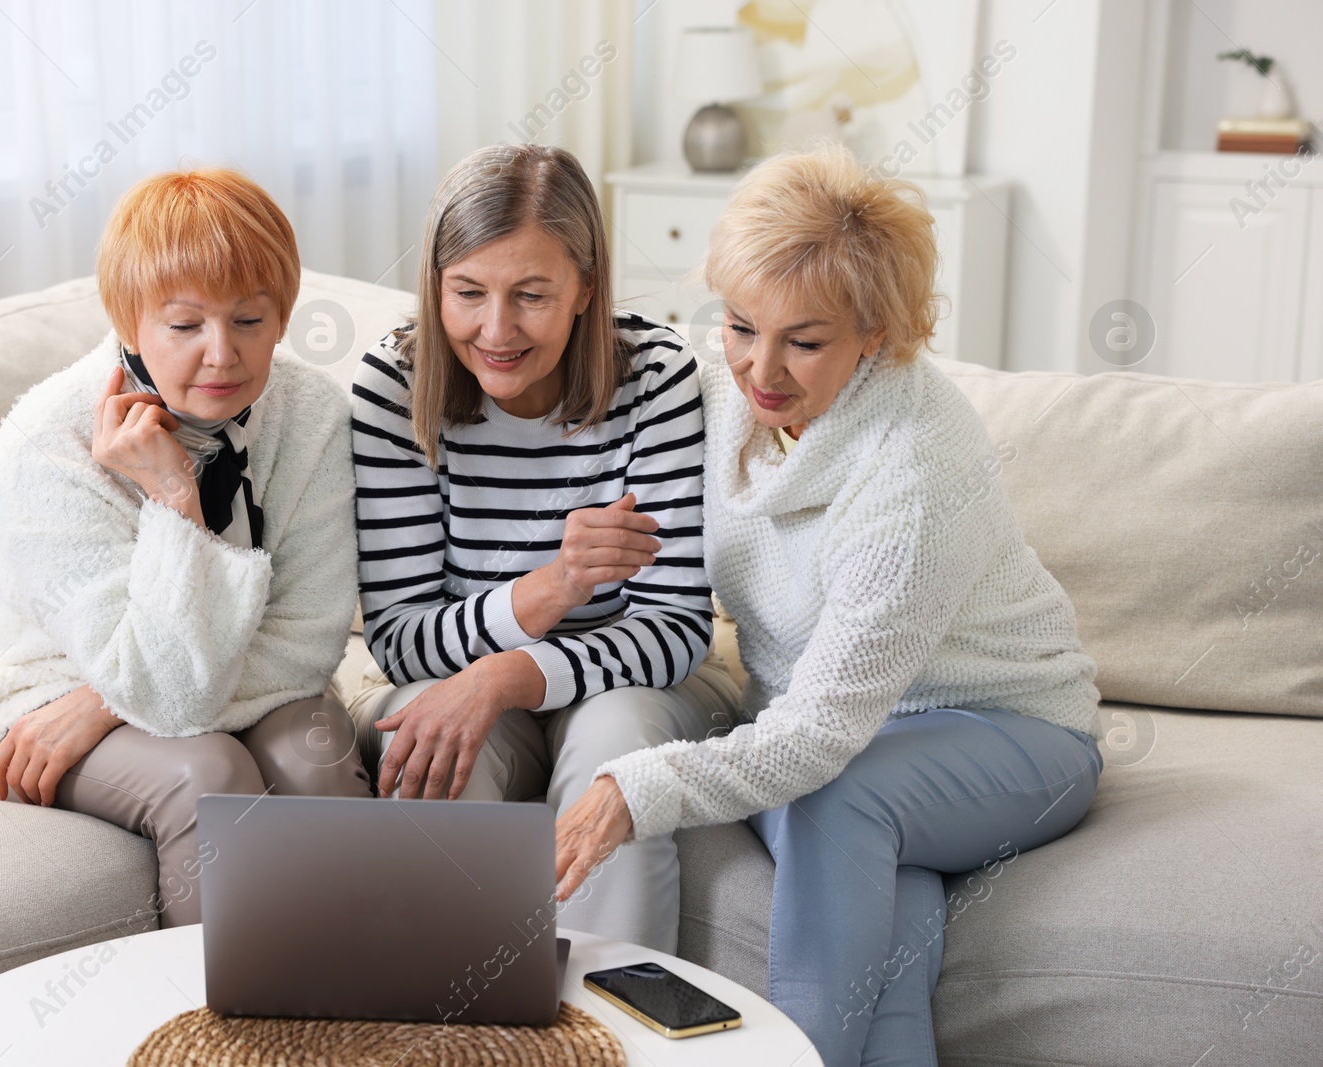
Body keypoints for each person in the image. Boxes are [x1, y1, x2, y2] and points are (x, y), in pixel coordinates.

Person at [552, 145, 1104, 1066]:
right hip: (867, 745)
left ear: (877, 335)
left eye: (805, 341)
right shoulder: (733, 399)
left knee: (831, 797)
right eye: (739, 326)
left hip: (1015, 732)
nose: (760, 369)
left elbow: (817, 742)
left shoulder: (915, 465)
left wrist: (634, 785)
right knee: (890, 931)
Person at [0, 167, 370, 928]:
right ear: (130, 324)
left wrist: (102, 706)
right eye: (185, 325)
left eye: (249, 321)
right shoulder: (47, 442)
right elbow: (167, 695)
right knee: (209, 771)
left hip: (121, 689)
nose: (222, 355)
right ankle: (218, 1042)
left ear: (284, 317)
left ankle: (367, 1016)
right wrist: (174, 500)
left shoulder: (315, 416)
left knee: (315, 758)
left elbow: (305, 644)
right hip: (43, 688)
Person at [349, 143, 740, 953]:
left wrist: (508, 671)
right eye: (467, 293)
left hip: (631, 684)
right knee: (431, 749)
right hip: (454, 684)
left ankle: (610, 1032)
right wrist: (545, 591)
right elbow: (396, 638)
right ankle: (456, 1032)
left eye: (531, 295)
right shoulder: (394, 386)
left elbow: (674, 629)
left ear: (585, 288)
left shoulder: (657, 377)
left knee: (616, 750)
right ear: (434, 286)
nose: (496, 330)